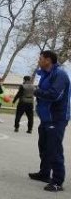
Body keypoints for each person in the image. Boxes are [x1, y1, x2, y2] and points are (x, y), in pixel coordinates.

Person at [29, 51, 70, 192]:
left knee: (54, 149)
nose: (38, 60)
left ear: (48, 60)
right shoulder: (45, 74)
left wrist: (36, 91)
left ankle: (58, 181)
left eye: (40, 58)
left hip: (57, 118)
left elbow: (55, 95)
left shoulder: (60, 75)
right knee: (44, 147)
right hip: (46, 118)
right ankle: (44, 173)